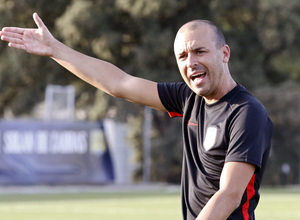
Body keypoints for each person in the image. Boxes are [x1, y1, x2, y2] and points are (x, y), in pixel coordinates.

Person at [0, 13, 273, 220]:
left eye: (200, 51)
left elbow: (229, 195)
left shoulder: (246, 113)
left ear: (224, 53)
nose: (190, 62)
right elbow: (120, 84)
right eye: (182, 56)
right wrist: (55, 49)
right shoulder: (189, 98)